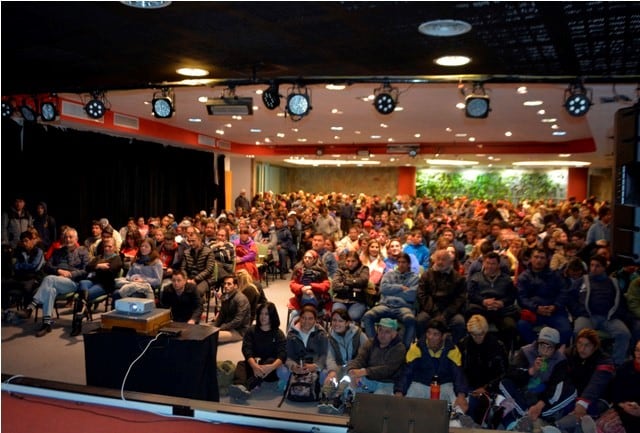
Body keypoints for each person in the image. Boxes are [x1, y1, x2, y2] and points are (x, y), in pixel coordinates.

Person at [498, 327, 577, 431]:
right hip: (524, 393)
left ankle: (545, 422)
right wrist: (531, 370)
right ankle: (527, 415)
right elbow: (511, 374)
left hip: (544, 398)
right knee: (504, 383)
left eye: (549, 347)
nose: (545, 350)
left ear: (555, 348)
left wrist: (540, 405)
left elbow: (555, 386)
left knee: (571, 391)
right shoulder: (526, 352)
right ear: (537, 343)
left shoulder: (560, 360)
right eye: (542, 345)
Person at [322, 317, 405, 414]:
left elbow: (387, 369)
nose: (382, 334)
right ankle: (343, 401)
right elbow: (360, 359)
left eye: (387, 332)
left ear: (394, 334)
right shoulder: (370, 342)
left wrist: (363, 372)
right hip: (370, 379)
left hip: (388, 382)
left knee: (377, 400)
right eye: (380, 330)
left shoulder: (399, 348)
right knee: (350, 383)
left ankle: (361, 407)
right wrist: (352, 371)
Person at [19, 227, 89, 337]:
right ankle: (47, 324)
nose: (68, 239)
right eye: (66, 237)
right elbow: (47, 266)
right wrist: (58, 270)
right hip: (55, 281)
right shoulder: (58, 252)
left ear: (76, 239)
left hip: (72, 283)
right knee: (50, 290)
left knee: (49, 279)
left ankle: (30, 307)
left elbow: (86, 270)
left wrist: (71, 274)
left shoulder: (83, 251)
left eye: (71, 237)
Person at [395, 319, 469, 414]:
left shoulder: (452, 350)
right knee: (400, 398)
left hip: (444, 386)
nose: (430, 337)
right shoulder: (416, 348)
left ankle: (456, 421)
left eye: (435, 334)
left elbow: (458, 375)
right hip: (422, 385)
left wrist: (461, 395)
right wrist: (399, 392)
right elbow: (406, 373)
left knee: (463, 399)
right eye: (428, 333)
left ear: (444, 336)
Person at [569, 254, 631, 366]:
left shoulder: (613, 282)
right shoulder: (582, 281)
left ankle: (615, 364)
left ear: (604, 268)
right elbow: (570, 298)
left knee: (624, 334)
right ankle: (578, 362)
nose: (593, 268)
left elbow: (621, 302)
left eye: (597, 266)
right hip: (587, 315)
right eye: (592, 265)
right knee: (578, 332)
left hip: (608, 317)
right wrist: (579, 311)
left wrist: (616, 315)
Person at [551, 328, 615, 433]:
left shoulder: (604, 360)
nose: (582, 348)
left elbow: (596, 384)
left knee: (584, 411)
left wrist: (582, 403)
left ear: (595, 347)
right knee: (566, 408)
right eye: (579, 344)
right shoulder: (570, 354)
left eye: (587, 345)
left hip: (598, 398)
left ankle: (557, 427)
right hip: (575, 396)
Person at [228, 302, 287, 402]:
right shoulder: (251, 331)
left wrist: (271, 367)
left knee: (270, 360)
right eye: (261, 314)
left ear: (272, 316)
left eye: (266, 314)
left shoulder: (278, 333)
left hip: (271, 369)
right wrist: (254, 365)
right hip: (255, 365)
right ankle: (239, 385)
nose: (263, 317)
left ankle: (246, 387)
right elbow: (247, 349)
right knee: (242, 364)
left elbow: (283, 354)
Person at [458, 315, 509, 427]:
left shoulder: (497, 346)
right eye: (474, 335)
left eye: (480, 334)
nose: (477, 338)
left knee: (481, 405)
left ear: (485, 331)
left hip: (492, 387)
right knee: (468, 404)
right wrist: (463, 390)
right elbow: (459, 371)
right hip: (470, 387)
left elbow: (504, 374)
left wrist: (486, 388)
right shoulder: (464, 345)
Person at [517, 247, 573, 348]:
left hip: (554, 311)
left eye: (542, 258)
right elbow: (522, 298)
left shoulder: (555, 275)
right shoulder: (523, 277)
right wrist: (536, 308)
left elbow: (564, 292)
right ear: (531, 258)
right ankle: (538, 350)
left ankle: (554, 352)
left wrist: (555, 306)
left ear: (547, 260)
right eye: (536, 257)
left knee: (566, 330)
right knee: (522, 325)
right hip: (533, 312)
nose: (539, 260)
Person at [362, 252, 419, 349]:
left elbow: (412, 295)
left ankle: (403, 350)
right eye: (399, 262)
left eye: (404, 262)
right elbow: (383, 289)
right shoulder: (389, 274)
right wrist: (401, 287)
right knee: (368, 316)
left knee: (410, 320)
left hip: (403, 307)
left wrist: (391, 291)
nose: (401, 264)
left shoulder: (415, 278)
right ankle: (374, 347)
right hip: (385, 305)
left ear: (409, 264)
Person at [466, 251, 520, 351]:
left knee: (510, 326)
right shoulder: (476, 278)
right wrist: (483, 301)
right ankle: (476, 351)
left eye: (493, 264)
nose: (490, 266)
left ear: (498, 265)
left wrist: (501, 303)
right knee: (474, 322)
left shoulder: (506, 279)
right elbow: (471, 295)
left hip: (502, 311)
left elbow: (512, 296)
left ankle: (503, 352)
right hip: (481, 310)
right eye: (488, 263)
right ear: (484, 263)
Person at [72, 236, 123, 336]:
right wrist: (99, 266)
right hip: (92, 281)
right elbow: (87, 267)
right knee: (82, 283)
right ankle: (84, 307)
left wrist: (96, 268)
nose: (107, 248)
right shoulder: (99, 257)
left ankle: (77, 324)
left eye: (110, 246)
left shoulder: (117, 258)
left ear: (114, 247)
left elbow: (110, 271)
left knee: (82, 296)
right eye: (105, 246)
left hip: (104, 284)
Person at [320, 308, 369, 410]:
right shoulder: (330, 337)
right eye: (334, 320)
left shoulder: (358, 334)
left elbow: (366, 353)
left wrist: (357, 368)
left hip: (354, 366)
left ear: (347, 323)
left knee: (347, 377)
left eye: (340, 321)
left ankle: (338, 398)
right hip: (339, 365)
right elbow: (330, 357)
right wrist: (332, 371)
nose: (336, 323)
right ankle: (325, 396)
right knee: (331, 376)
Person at [416, 249, 467, 344]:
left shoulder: (458, 278)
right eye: (438, 259)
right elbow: (422, 295)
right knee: (421, 320)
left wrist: (445, 315)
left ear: (450, 261)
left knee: (459, 322)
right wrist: (435, 313)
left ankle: (453, 349)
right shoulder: (426, 275)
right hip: (430, 310)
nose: (440, 262)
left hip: (450, 312)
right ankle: (422, 348)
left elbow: (460, 299)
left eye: (443, 259)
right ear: (434, 260)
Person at [276, 305, 329, 391]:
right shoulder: (291, 334)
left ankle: (296, 383)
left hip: (314, 367)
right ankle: (300, 382)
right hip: (297, 366)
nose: (306, 321)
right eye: (304, 318)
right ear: (299, 318)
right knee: (280, 370)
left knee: (326, 374)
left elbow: (324, 354)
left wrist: (315, 366)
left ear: (315, 320)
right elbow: (288, 355)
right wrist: (293, 367)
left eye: (310, 318)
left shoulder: (321, 334)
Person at [595, 340, 640, 433]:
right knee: (601, 424)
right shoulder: (625, 368)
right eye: (637, 350)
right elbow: (615, 392)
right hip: (624, 408)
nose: (639, 354)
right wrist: (623, 405)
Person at [1, 230, 45, 310]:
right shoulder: (20, 251)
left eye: (26, 241)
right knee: (3, 283)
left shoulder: (39, 251)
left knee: (27, 287)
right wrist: (23, 266)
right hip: (21, 277)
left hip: (34, 278)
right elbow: (15, 266)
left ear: (32, 240)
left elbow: (34, 267)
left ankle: (26, 310)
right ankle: (5, 309)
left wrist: (22, 266)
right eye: (23, 241)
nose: (24, 243)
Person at [288, 249, 331, 326]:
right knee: (294, 314)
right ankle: (292, 335)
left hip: (318, 300)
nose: (307, 260)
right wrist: (302, 288)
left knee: (309, 293)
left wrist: (312, 287)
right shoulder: (298, 269)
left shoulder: (321, 270)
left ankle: (309, 317)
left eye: (309, 258)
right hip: (300, 299)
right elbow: (292, 284)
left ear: (315, 259)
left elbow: (326, 285)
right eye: (305, 257)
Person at [330, 251, 370, 323]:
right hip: (341, 300)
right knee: (337, 316)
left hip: (358, 300)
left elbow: (363, 281)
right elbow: (335, 286)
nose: (350, 264)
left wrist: (345, 282)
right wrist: (351, 287)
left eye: (353, 261)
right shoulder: (340, 269)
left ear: (358, 261)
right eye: (348, 261)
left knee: (353, 316)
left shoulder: (363, 269)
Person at [181, 230, 217, 305]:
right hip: (190, 278)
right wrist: (185, 278)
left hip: (206, 279)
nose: (190, 243)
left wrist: (195, 279)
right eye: (189, 241)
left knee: (195, 291)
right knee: (178, 289)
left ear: (199, 240)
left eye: (193, 241)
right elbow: (183, 268)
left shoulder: (208, 252)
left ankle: (195, 312)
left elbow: (209, 270)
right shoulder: (186, 252)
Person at [213, 275, 252, 344]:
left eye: (229, 284)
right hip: (228, 326)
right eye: (224, 283)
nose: (225, 286)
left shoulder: (241, 299)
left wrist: (221, 328)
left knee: (211, 336)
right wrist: (213, 326)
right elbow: (221, 315)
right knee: (205, 331)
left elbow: (238, 321)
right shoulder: (225, 296)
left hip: (239, 330)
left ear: (235, 286)